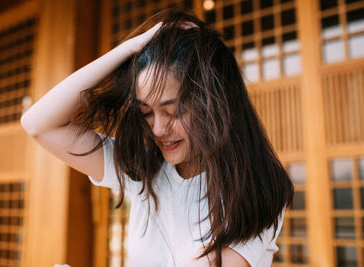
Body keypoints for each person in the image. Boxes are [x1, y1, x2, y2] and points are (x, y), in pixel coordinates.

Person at [21, 7, 293, 267]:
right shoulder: (143, 169)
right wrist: (131, 47)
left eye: (172, 111)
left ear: (213, 102)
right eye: (146, 113)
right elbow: (38, 124)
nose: (158, 129)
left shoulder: (256, 188)